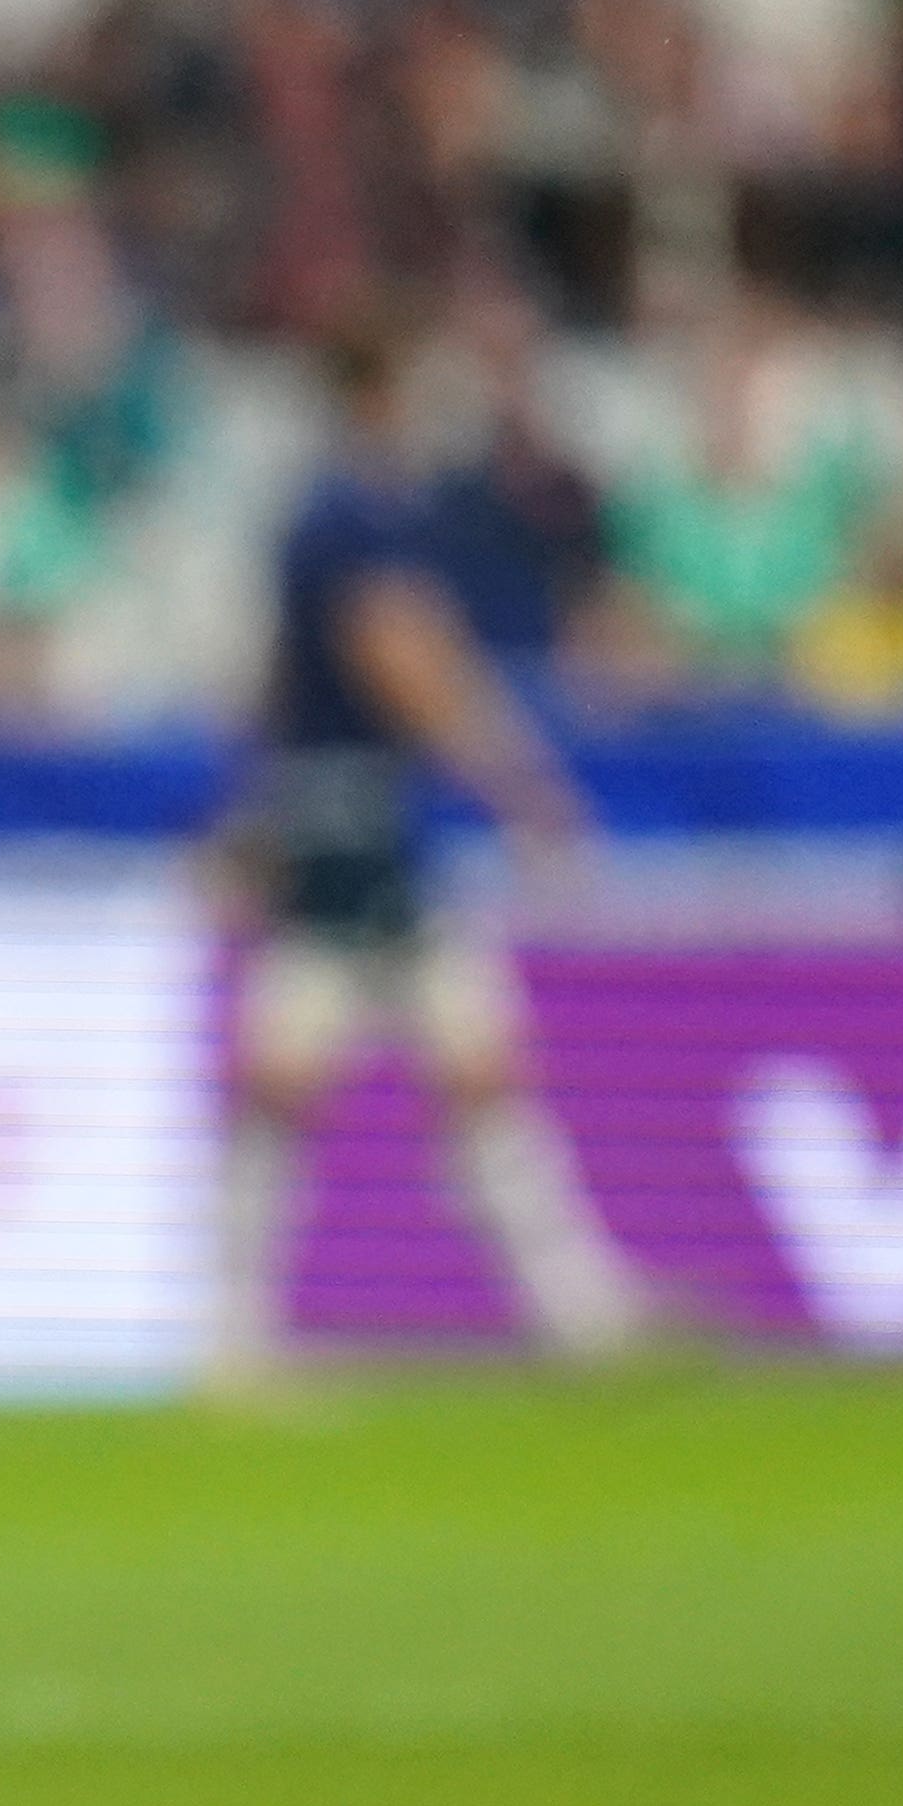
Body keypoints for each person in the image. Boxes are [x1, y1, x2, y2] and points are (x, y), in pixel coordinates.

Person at [210, 314, 648, 1382]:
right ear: (387, 392)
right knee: (367, 1067)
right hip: (361, 828)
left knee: (444, 1055)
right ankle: (235, 1334)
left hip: (329, 818)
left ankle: (575, 1313)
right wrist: (521, 786)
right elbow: (405, 659)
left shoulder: (316, 517)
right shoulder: (366, 519)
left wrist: (255, 810)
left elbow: (276, 686)